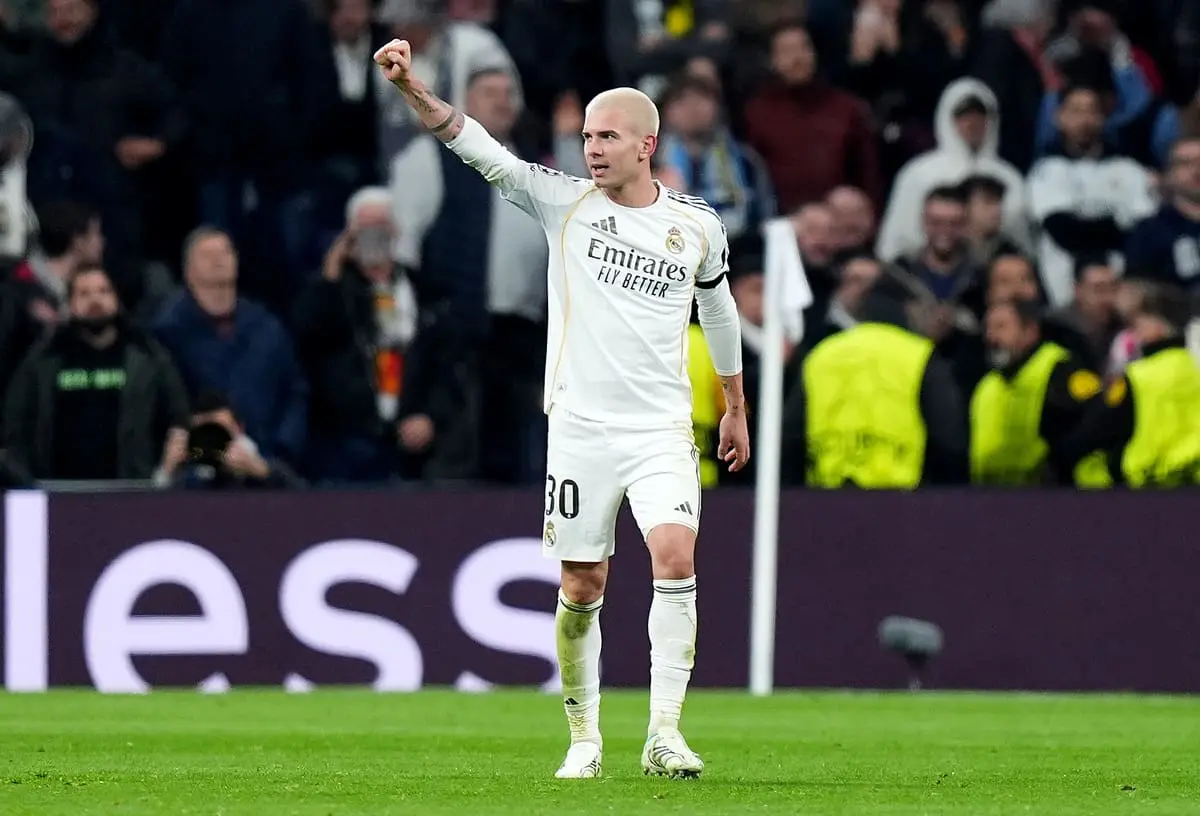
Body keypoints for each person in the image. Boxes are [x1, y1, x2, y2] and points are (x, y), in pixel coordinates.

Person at [375, 39, 749, 780]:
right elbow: (474, 145)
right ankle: (584, 737)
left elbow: (722, 308)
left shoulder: (697, 224)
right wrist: (411, 86)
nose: (592, 149)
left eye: (607, 136)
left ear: (647, 145)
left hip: (661, 431)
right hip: (579, 428)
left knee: (675, 559)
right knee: (583, 585)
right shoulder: (564, 204)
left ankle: (665, 733)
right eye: (586, 137)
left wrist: (734, 406)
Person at [1051, 282, 1200, 487]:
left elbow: (1099, 427)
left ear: (1157, 326)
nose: (1133, 335)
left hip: (1149, 486)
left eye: (1137, 326)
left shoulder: (1139, 376)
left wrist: (1063, 452)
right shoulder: (1193, 368)